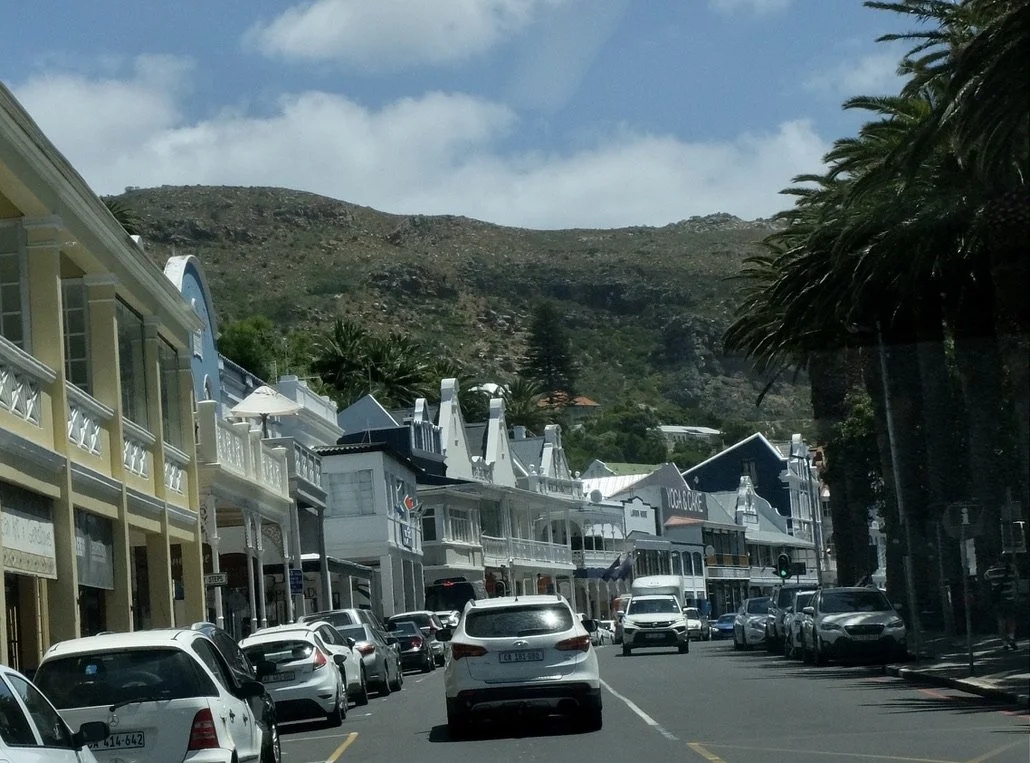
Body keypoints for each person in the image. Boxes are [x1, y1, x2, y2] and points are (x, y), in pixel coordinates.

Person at [984, 558, 1019, 650]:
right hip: (1009, 599)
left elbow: (985, 577)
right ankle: (1011, 638)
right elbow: (1016, 578)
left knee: (1001, 622)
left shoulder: (991, 571)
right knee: (1011, 620)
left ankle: (1004, 643)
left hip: (998, 601)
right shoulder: (1010, 571)